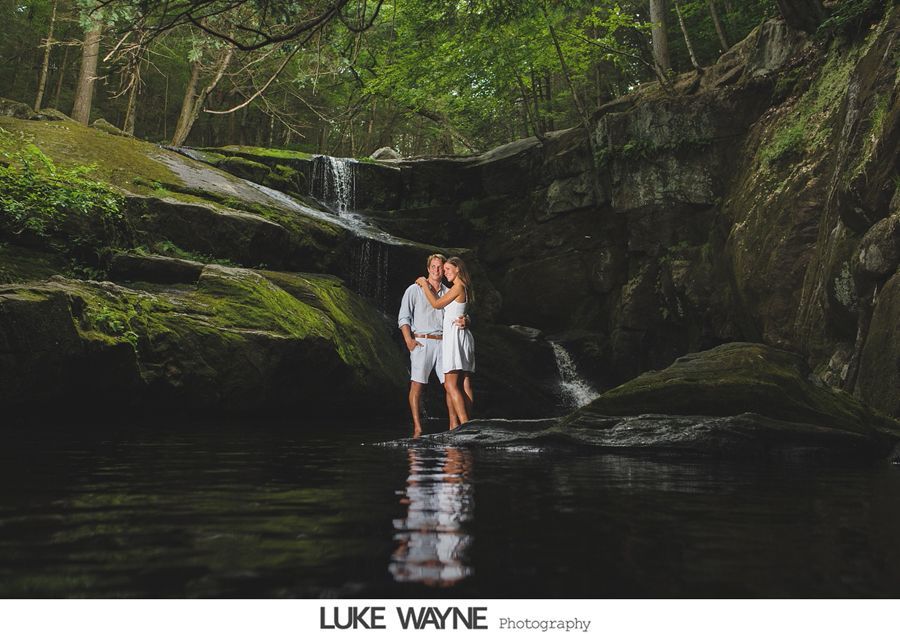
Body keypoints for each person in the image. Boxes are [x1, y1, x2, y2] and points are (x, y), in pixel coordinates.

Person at [398, 253, 467, 437]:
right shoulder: (414, 290)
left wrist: (467, 320)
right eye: (434, 267)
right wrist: (409, 341)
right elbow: (403, 317)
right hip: (421, 342)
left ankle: (454, 426)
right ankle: (418, 427)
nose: (437, 270)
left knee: (449, 385)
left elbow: (460, 310)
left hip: (444, 343)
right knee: (417, 386)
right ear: (428, 269)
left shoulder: (448, 290)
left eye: (440, 267)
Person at [416, 256, 475, 426]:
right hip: (461, 336)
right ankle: (462, 424)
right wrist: (468, 319)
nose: (444, 272)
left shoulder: (457, 287)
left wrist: (424, 283)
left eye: (448, 269)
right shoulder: (461, 288)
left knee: (450, 384)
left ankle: (463, 424)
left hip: (455, 338)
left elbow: (435, 304)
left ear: (458, 269)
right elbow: (460, 311)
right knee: (464, 383)